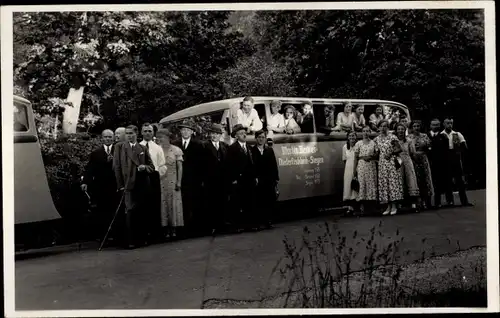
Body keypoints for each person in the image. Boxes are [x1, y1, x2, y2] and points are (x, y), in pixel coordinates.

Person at [113, 125, 155, 249]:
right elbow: (117, 167)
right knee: (129, 212)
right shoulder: (120, 147)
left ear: (137, 134)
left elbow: (152, 167)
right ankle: (130, 240)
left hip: (142, 184)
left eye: (131, 133)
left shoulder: (142, 148)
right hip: (128, 184)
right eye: (127, 133)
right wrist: (120, 185)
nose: (129, 136)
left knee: (141, 212)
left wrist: (144, 167)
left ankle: (141, 239)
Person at [81, 129, 117, 242]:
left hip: (115, 185)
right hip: (101, 187)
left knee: (114, 210)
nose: (108, 139)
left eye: (110, 137)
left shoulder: (119, 151)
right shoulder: (96, 153)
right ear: (102, 138)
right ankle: (103, 235)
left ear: (114, 138)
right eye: (106, 137)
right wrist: (85, 182)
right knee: (102, 211)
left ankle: (116, 234)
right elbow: (90, 169)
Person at [174, 121, 205, 235]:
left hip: (195, 179)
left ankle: (196, 228)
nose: (185, 132)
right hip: (181, 179)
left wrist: (201, 179)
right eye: (183, 130)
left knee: (195, 202)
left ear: (192, 132)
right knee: (182, 203)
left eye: (187, 130)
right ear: (180, 132)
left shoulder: (198, 144)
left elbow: (202, 164)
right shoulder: (175, 144)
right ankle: (184, 229)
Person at [227, 124, 257, 232]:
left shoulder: (249, 147)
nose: (244, 135)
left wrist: (255, 177)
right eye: (241, 133)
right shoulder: (232, 149)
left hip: (249, 180)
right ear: (236, 136)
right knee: (237, 203)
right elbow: (229, 166)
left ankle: (249, 224)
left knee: (249, 202)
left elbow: (252, 164)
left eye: (244, 133)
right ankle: (237, 226)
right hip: (238, 180)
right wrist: (233, 179)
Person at [140, 123, 167, 242]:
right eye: (145, 131)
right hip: (141, 178)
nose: (147, 133)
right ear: (141, 132)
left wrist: (157, 176)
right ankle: (144, 234)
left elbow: (162, 165)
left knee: (155, 205)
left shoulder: (157, 148)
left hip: (154, 178)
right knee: (142, 206)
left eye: (150, 131)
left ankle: (155, 234)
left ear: (153, 133)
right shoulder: (137, 146)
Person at [201, 123, 230, 235]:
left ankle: (222, 224)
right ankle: (212, 226)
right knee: (211, 203)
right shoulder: (204, 146)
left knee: (223, 202)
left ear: (220, 135)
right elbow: (202, 165)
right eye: (212, 133)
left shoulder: (224, 146)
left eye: (216, 134)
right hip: (210, 180)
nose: (214, 136)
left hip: (222, 180)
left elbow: (228, 163)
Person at [156, 128, 184, 240]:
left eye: (161, 137)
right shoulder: (157, 150)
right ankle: (165, 229)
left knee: (174, 204)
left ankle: (174, 229)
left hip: (173, 180)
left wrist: (179, 181)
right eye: (157, 138)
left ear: (167, 138)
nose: (159, 140)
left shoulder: (176, 150)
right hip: (161, 180)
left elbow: (180, 167)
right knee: (163, 204)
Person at [440, 116, 473, 207]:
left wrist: (459, 153)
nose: (449, 125)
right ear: (444, 124)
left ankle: (464, 201)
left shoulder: (457, 134)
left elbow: (464, 145)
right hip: (446, 158)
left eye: (451, 123)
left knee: (460, 181)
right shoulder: (441, 134)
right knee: (448, 181)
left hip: (455, 157)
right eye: (447, 123)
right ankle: (450, 201)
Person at [374, 120, 404, 215]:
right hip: (382, 163)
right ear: (378, 127)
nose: (383, 128)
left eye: (385, 126)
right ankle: (388, 206)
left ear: (388, 127)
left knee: (392, 183)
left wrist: (391, 153)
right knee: (384, 184)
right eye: (381, 126)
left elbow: (399, 149)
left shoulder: (392, 137)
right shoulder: (377, 139)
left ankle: (394, 205)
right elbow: (377, 152)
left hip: (391, 162)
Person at [251, 130, 279, 229]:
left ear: (265, 139)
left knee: (269, 200)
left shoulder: (269, 150)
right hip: (258, 180)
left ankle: (269, 221)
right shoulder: (252, 151)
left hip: (269, 179)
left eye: (263, 137)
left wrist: (276, 179)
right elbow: (251, 167)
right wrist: (254, 177)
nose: (261, 139)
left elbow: (274, 165)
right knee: (259, 201)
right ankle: (258, 222)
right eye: (259, 137)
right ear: (256, 138)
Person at [408, 121, 434, 210]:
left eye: (418, 126)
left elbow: (430, 147)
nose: (416, 128)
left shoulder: (424, 136)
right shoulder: (409, 137)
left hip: (423, 158)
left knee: (426, 179)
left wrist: (426, 145)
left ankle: (427, 202)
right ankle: (418, 203)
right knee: (416, 180)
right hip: (414, 159)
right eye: (414, 126)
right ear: (412, 128)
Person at [353, 126, 378, 215]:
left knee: (371, 184)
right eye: (364, 131)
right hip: (361, 166)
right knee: (362, 184)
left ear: (370, 132)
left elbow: (377, 154)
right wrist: (354, 171)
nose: (366, 133)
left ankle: (371, 207)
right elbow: (355, 158)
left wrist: (371, 157)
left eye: (367, 131)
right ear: (362, 132)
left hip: (371, 166)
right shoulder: (358, 143)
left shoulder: (373, 143)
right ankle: (362, 207)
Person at [395, 123, 420, 212]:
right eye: (399, 129)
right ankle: (400, 203)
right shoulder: (394, 140)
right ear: (396, 130)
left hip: (407, 161)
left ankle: (413, 203)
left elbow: (413, 153)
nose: (400, 131)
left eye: (402, 129)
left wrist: (415, 161)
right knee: (399, 181)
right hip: (398, 162)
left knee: (411, 180)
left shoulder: (409, 141)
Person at [427, 118, 448, 208]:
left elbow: (445, 151)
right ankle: (427, 203)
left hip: (439, 163)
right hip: (427, 163)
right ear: (430, 125)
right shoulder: (426, 136)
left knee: (438, 183)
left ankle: (437, 202)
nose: (435, 126)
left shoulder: (443, 136)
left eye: (437, 125)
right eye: (434, 124)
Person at [342, 131, 359, 214]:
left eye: (353, 136)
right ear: (347, 138)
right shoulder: (345, 147)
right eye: (350, 136)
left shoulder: (358, 145)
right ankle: (350, 207)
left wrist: (356, 169)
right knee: (349, 187)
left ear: (356, 137)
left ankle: (357, 207)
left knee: (356, 187)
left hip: (357, 168)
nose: (352, 138)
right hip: (348, 169)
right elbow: (344, 160)